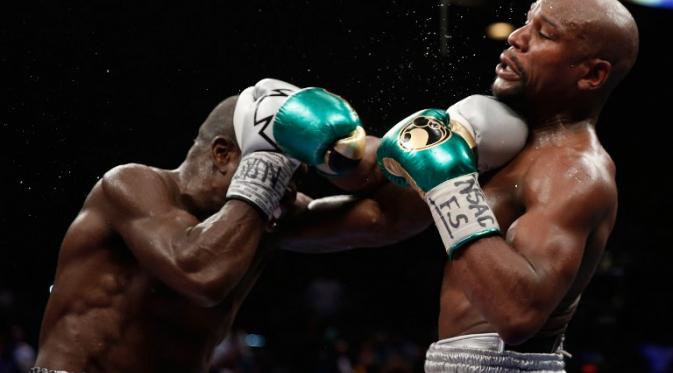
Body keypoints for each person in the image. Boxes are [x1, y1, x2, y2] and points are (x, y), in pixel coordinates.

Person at [277, 0, 639, 371]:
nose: (516, 38)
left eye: (544, 34)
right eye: (526, 23)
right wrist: (333, 157)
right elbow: (388, 214)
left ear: (592, 75)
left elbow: (517, 315)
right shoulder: (494, 136)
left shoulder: (577, 173)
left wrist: (449, 185)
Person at [32, 78, 365, 373]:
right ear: (222, 154)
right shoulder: (130, 186)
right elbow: (199, 273)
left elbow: (383, 217)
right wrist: (261, 178)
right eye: (278, 170)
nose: (286, 188)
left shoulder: (271, 217)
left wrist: (394, 150)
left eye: (294, 177)